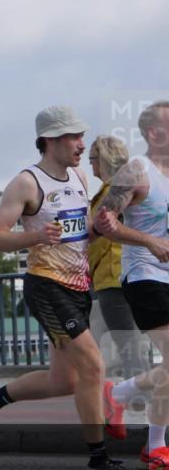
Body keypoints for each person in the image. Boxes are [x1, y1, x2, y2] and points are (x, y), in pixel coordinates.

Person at [0, 106, 133, 470]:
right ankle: (97, 461)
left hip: (79, 286)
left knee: (66, 381)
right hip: (47, 286)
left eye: (82, 136)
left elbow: (80, 231)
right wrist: (35, 236)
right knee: (93, 366)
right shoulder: (27, 183)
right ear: (51, 140)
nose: (82, 145)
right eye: (75, 137)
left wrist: (100, 226)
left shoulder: (78, 177)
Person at [95, 101, 169, 470]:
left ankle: (120, 397)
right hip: (144, 275)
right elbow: (103, 221)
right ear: (155, 133)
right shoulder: (137, 171)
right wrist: (148, 242)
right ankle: (153, 443)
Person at [87, 136, 149, 386]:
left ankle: (142, 399)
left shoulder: (112, 193)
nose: (90, 164)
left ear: (103, 159)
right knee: (136, 343)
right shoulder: (132, 187)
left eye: (92, 159)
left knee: (128, 345)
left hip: (112, 276)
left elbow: (99, 237)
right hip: (135, 272)